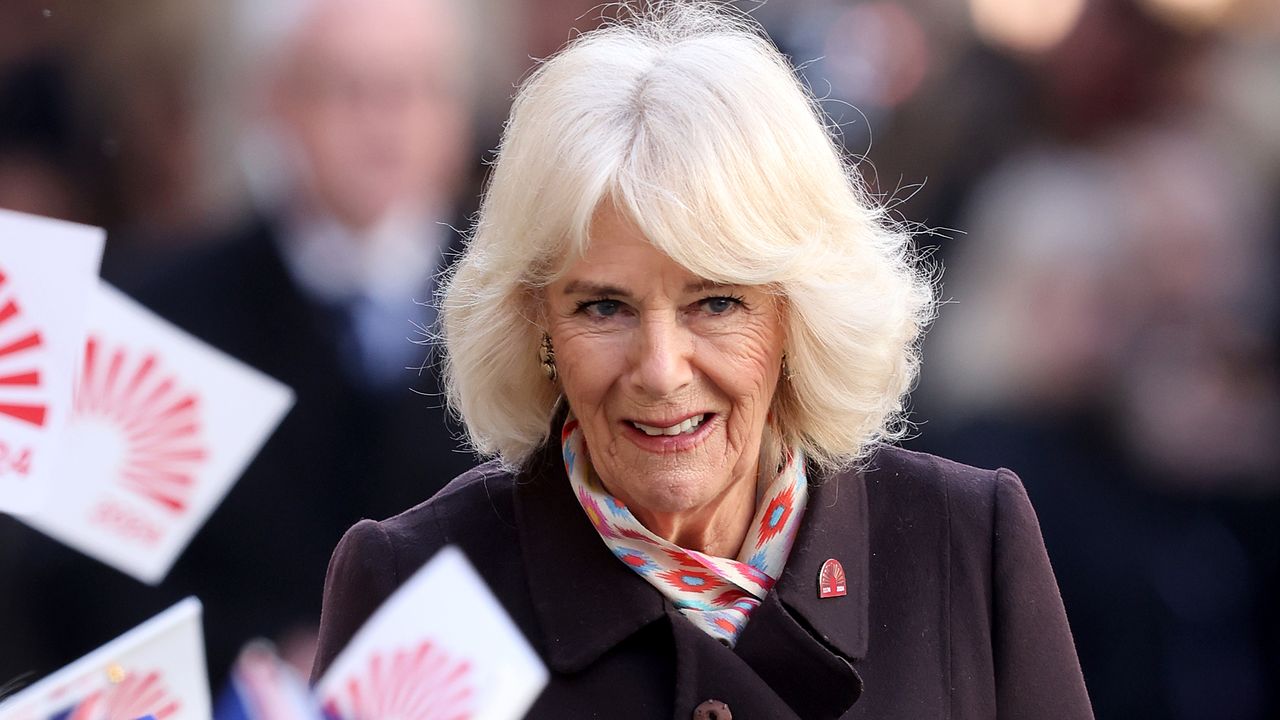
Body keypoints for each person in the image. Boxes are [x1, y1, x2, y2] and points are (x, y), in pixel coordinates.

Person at [311, 4, 1095, 717]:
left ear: (798, 313)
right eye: (603, 306)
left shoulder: (963, 544)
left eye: (716, 303)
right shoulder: (419, 583)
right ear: (535, 323)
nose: (660, 369)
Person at [0, 0, 478, 688]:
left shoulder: (535, 309)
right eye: (349, 88)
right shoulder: (162, 312)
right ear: (276, 103)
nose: (386, 119)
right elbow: (84, 584)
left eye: (418, 88)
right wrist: (253, 656)